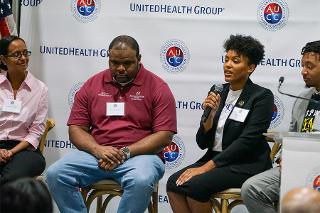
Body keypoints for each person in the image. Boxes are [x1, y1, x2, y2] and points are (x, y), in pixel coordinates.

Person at [46, 35, 177, 213]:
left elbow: (164, 136)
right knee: (56, 174)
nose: (121, 68)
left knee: (141, 180)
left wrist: (125, 153)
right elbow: (76, 129)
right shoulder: (92, 85)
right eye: (114, 63)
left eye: (128, 63)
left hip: (140, 157)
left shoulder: (158, 87)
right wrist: (97, 149)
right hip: (97, 155)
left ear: (139, 59)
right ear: (108, 59)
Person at [166, 34, 274, 213]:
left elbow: (248, 141)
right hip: (216, 160)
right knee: (173, 184)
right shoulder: (218, 91)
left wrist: (205, 168)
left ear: (250, 68)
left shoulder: (261, 96)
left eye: (236, 61)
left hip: (246, 163)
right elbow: (202, 142)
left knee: (195, 186)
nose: (228, 65)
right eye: (226, 59)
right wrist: (209, 117)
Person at [241, 40, 320, 213]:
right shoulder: (302, 98)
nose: (303, 71)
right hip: (296, 165)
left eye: (310, 66)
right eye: (302, 65)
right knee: (251, 189)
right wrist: (287, 156)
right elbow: (293, 134)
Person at [0, 35, 48, 186]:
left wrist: (11, 152)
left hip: (24, 150)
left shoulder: (40, 89)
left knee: (9, 179)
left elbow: (36, 131)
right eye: (16, 54)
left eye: (25, 53)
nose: (23, 58)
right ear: (3, 59)